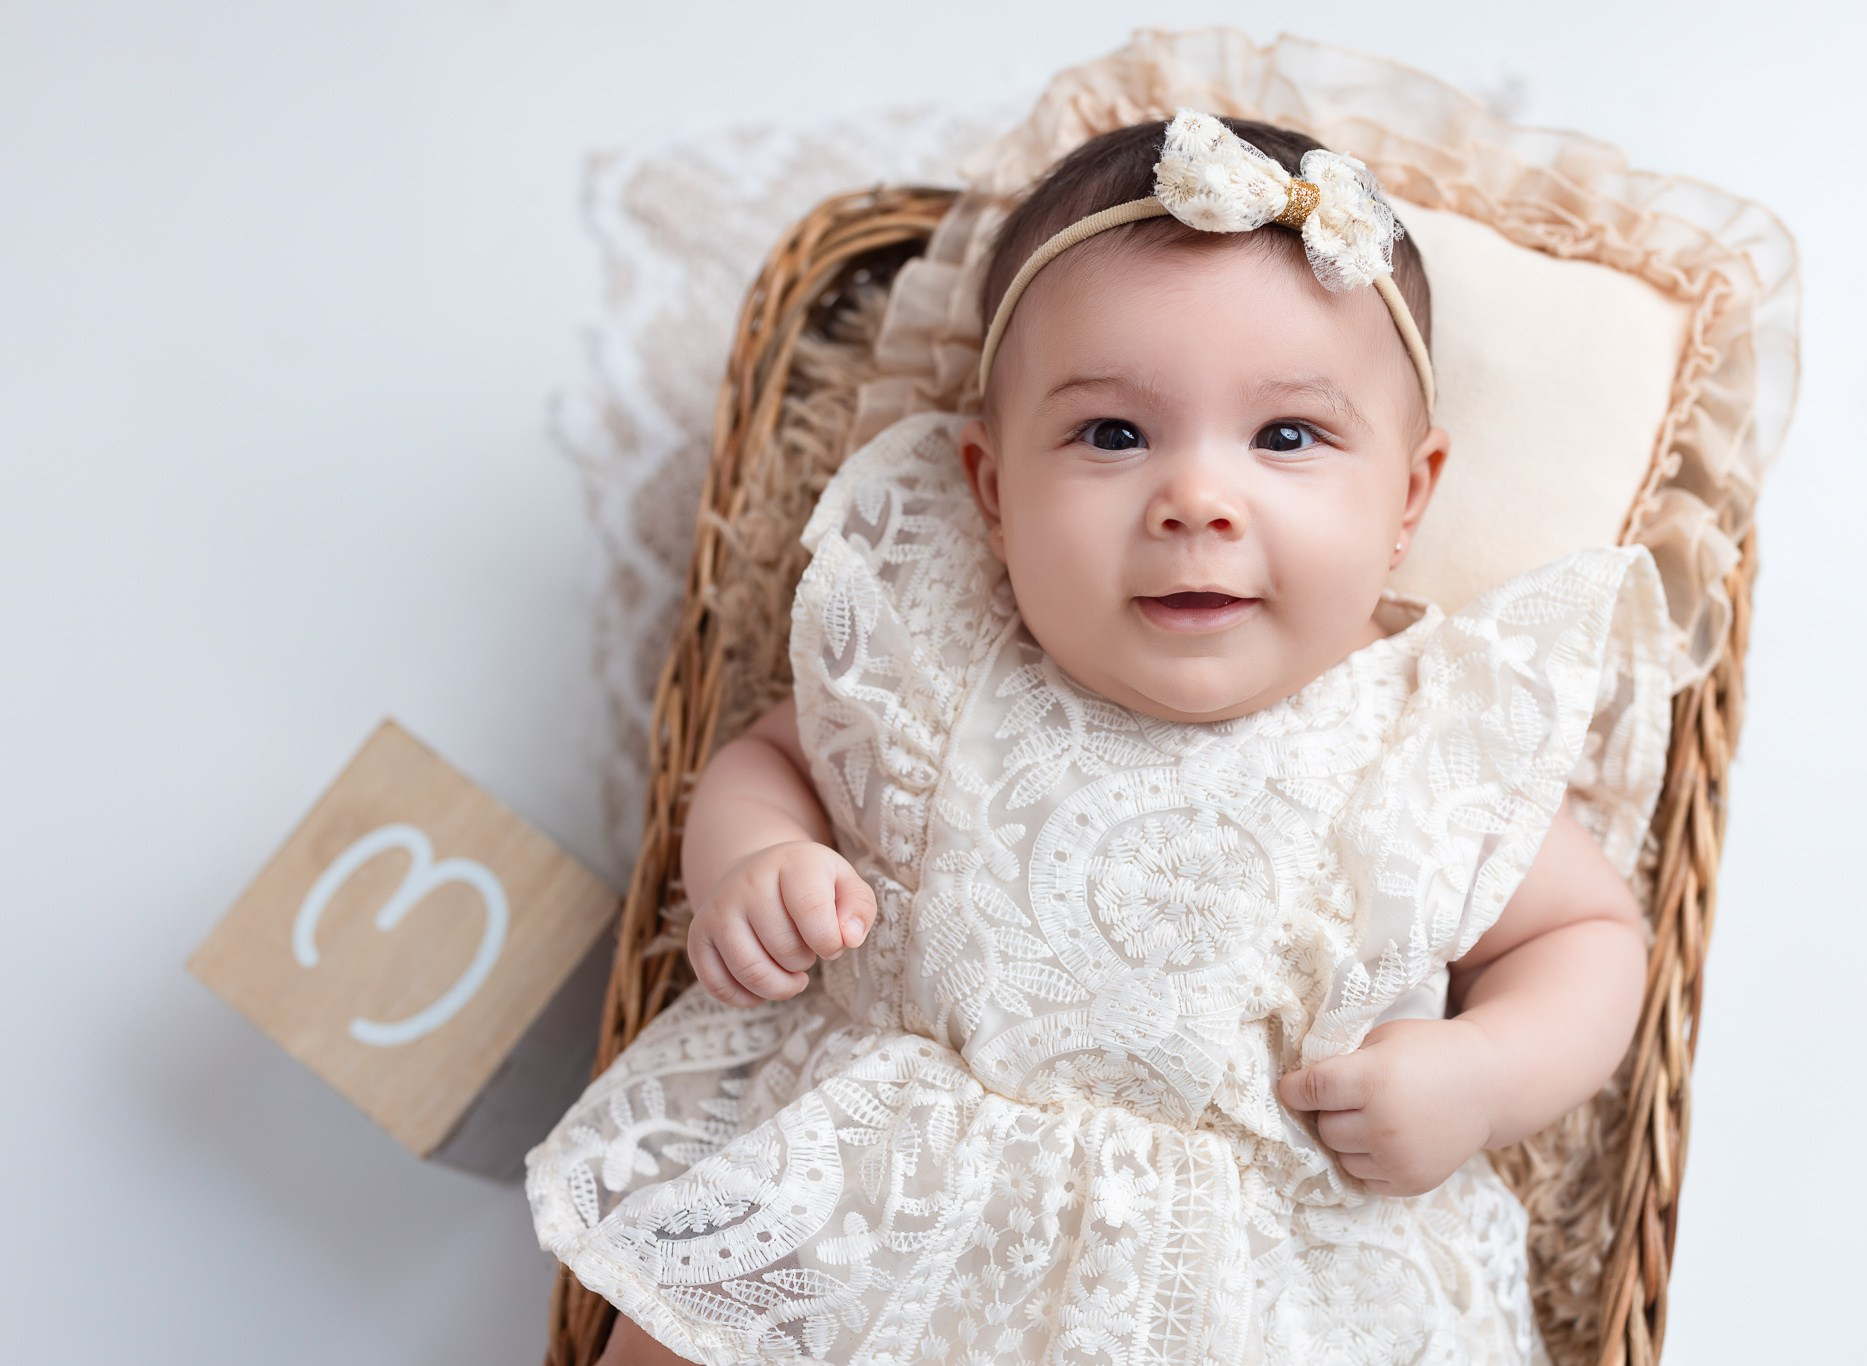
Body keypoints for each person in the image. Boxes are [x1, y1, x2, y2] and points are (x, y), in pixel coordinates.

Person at [528, 108, 1673, 1366]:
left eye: (1285, 436)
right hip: (889, 1217)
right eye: (1111, 434)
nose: (1195, 499)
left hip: (1251, 1291)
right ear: (992, 491)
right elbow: (771, 757)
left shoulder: (1420, 735)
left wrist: (1482, 1074)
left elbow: (1587, 932)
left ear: (1406, 499)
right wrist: (753, 865)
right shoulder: (946, 666)